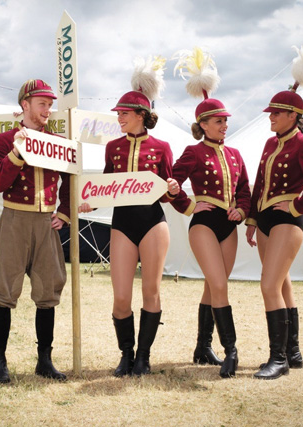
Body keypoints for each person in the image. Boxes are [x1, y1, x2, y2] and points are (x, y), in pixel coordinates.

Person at [81, 56, 180, 377]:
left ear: (141, 115)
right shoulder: (112, 148)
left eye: (123, 113)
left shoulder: (163, 147)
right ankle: (126, 354)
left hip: (154, 222)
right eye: (118, 113)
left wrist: (175, 189)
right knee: (121, 296)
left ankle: (144, 358)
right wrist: (88, 204)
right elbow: (108, 187)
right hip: (122, 224)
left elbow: (166, 192)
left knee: (150, 291)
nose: (118, 118)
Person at [169, 48, 250, 378]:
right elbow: (170, 183)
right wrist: (187, 203)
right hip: (202, 224)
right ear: (202, 124)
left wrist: (241, 210)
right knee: (219, 284)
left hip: (227, 226)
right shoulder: (192, 151)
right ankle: (231, 351)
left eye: (226, 120)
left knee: (213, 285)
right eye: (219, 121)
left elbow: (244, 188)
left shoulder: (235, 153)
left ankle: (203, 348)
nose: (224, 125)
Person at [0, 79, 70, 383]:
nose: (48, 109)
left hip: (46, 221)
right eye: (42, 103)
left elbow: (70, 177)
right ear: (25, 105)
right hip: (15, 218)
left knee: (48, 291)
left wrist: (65, 211)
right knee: (3, 291)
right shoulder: (3, 141)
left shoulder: (56, 141)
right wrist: (16, 155)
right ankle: (0, 364)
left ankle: (44, 361)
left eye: (50, 104)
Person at [246, 89, 303, 380]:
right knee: (282, 285)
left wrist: (297, 204)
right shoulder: (270, 143)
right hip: (266, 219)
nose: (270, 117)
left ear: (293, 116)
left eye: (276, 113)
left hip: (288, 219)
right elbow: (259, 183)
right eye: (270, 112)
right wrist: (252, 219)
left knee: (269, 286)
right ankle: (293, 353)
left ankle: (278, 359)